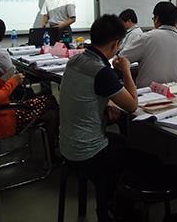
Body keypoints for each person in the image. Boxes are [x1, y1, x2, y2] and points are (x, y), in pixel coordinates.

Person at [59, 14, 140, 222]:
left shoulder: (75, 60)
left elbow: (84, 97)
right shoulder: (101, 71)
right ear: (115, 44)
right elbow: (132, 105)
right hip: (88, 152)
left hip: (66, 145)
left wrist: (103, 106)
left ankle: (111, 204)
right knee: (135, 156)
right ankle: (112, 210)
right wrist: (126, 70)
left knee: (120, 143)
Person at [122, 2, 177, 88]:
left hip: (148, 93)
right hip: (176, 93)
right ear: (175, 22)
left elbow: (121, 58)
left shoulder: (147, 37)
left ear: (157, 19)